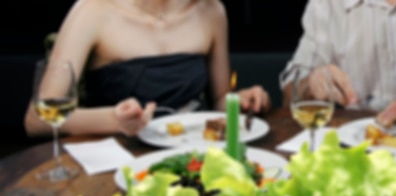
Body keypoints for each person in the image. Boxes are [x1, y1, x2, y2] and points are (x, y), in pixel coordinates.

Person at [24, 0, 271, 138]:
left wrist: (242, 100)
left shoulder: (211, 11)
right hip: (118, 158)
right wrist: (114, 121)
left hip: (192, 152)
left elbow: (218, 100)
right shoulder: (92, 11)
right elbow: (36, 120)